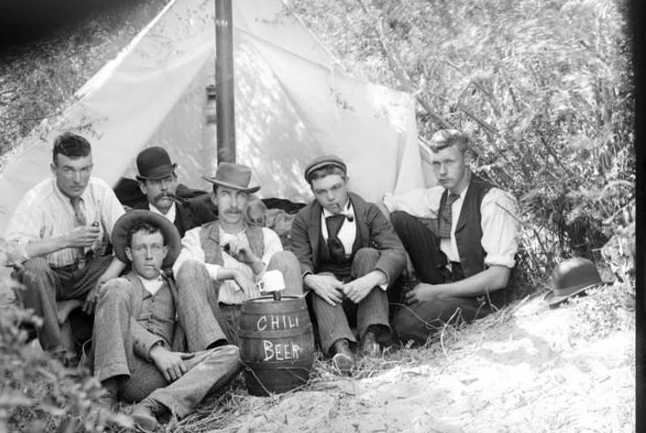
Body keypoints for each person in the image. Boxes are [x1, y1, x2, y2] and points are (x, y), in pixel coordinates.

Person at [86, 210, 241, 432]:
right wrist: (156, 351)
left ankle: (151, 406)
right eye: (141, 248)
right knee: (113, 287)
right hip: (127, 371)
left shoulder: (174, 284)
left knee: (231, 354)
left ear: (165, 251)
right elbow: (112, 325)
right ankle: (104, 401)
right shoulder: (121, 287)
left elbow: (197, 286)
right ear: (129, 253)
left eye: (155, 248)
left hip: (172, 373)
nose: (149, 256)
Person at [382, 129, 520, 345]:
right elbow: (385, 205)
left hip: (481, 294)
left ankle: (429, 311)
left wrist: (436, 293)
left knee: (405, 324)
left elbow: (498, 277)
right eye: (436, 164)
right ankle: (392, 308)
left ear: (466, 159)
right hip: (447, 273)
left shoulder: (493, 200)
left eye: (449, 162)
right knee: (399, 220)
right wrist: (398, 249)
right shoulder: (441, 195)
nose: (442, 171)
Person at [4, 132, 127, 358]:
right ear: (54, 170)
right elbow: (10, 253)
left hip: (88, 271)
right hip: (52, 277)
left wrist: (103, 281)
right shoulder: (37, 199)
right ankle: (56, 352)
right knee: (33, 270)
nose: (78, 179)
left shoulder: (99, 190)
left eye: (84, 169)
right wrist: (66, 240)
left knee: (137, 258)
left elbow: (126, 238)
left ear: (92, 166)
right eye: (69, 169)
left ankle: (117, 341)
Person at [289, 155, 407, 374]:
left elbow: (396, 252)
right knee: (322, 278)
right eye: (321, 192)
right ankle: (340, 349)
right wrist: (311, 279)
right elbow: (299, 260)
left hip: (367, 297)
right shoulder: (303, 220)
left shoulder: (368, 211)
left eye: (336, 187)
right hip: (329, 304)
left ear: (347, 183)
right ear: (313, 193)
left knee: (369, 255)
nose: (331, 197)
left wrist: (370, 279)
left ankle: (371, 339)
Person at [173, 162, 303, 349]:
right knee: (190, 268)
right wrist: (232, 273)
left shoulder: (267, 236)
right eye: (226, 194)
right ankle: (216, 362)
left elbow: (277, 285)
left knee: (286, 259)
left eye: (240, 195)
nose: (233, 205)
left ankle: (287, 354)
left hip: (262, 324)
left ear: (248, 199)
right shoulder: (196, 235)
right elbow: (180, 270)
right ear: (214, 198)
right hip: (215, 324)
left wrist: (253, 262)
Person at [129, 146, 216, 236]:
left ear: (176, 180)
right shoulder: (132, 221)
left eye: (168, 179)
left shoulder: (197, 211)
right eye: (155, 182)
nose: (164, 187)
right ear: (143, 187)